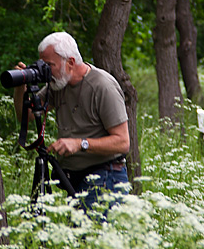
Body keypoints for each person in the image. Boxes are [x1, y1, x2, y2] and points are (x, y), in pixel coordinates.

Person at [13, 31, 130, 210]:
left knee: (90, 237)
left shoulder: (103, 86)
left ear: (70, 62)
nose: (45, 71)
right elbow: (25, 117)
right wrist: (20, 88)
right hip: (75, 179)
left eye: (49, 65)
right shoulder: (59, 83)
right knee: (78, 236)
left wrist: (80, 144)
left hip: (105, 178)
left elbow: (123, 142)